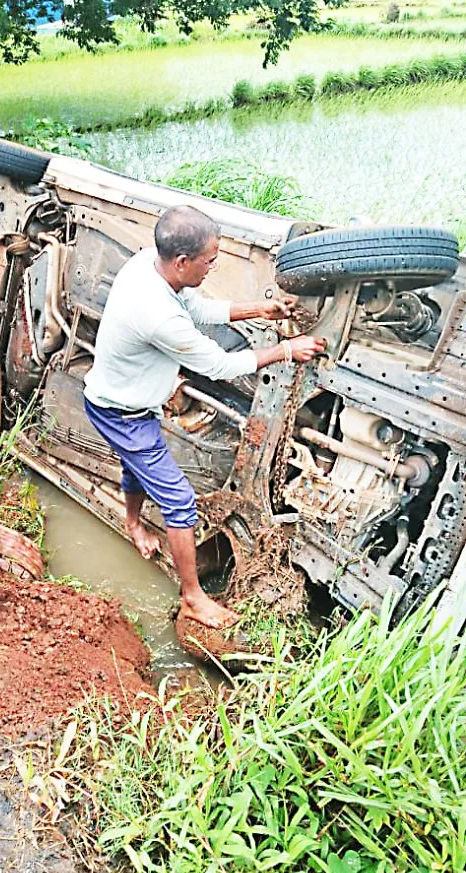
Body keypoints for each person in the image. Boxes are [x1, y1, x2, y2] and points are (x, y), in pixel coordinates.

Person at [83, 205, 325, 629]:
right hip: (122, 412)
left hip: (119, 398)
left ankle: (134, 524)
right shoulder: (156, 314)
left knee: (136, 468)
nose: (213, 266)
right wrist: (287, 350)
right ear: (181, 261)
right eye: (210, 260)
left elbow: (195, 308)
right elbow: (219, 366)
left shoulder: (149, 264)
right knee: (179, 504)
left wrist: (259, 310)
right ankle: (193, 597)